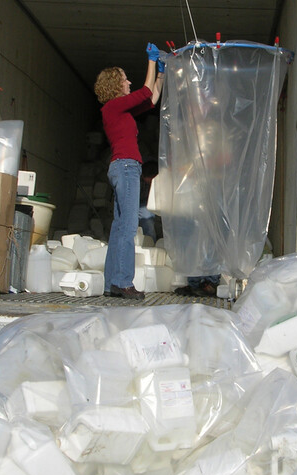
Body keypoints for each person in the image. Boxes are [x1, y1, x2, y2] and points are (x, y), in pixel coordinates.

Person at [95, 44, 165, 299]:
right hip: (126, 167)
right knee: (128, 226)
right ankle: (124, 282)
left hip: (121, 167)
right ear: (116, 85)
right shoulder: (114, 107)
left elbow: (151, 99)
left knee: (117, 227)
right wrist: (151, 61)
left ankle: (110, 283)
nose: (129, 82)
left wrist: (160, 75)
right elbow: (145, 91)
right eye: (125, 79)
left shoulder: (119, 110)